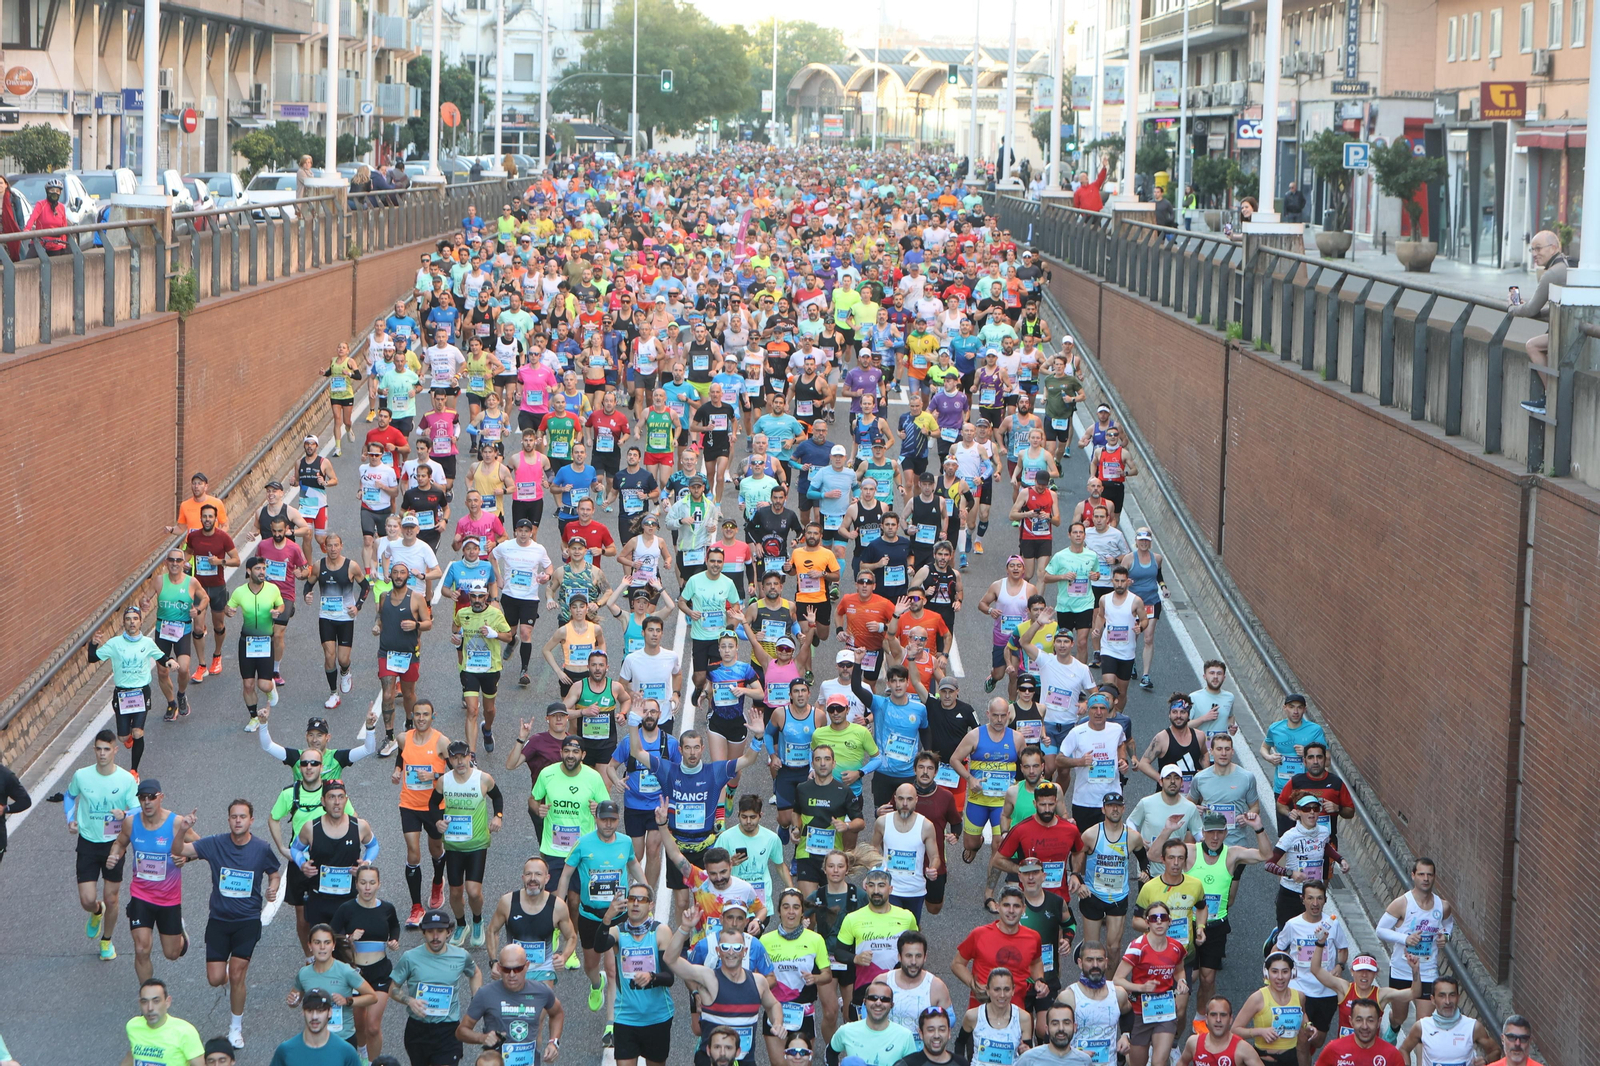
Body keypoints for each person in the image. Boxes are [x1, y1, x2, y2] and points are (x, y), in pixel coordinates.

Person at [172, 799, 283, 1050]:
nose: (238, 821)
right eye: (234, 816)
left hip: (247, 921)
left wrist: (273, 888)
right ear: (229, 819)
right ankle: (229, 983)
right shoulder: (214, 843)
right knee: (215, 978)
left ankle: (235, 1028)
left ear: (251, 820)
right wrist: (182, 829)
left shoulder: (261, 848)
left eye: (243, 816)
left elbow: (274, 872)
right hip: (219, 920)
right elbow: (180, 850)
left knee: (237, 974)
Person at [663, 905, 786, 1066]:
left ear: (744, 951)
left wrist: (777, 1023)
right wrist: (684, 928)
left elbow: (773, 1004)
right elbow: (670, 959)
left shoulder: (758, 982)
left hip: (745, 1061)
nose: (731, 952)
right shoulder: (709, 979)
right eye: (725, 947)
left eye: (736, 947)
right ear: (718, 950)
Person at [107, 778, 197, 982]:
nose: (146, 802)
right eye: (142, 798)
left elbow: (201, 847)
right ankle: (147, 993)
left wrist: (186, 857)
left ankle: (181, 935)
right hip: (141, 896)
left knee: (172, 954)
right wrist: (115, 854)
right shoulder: (131, 823)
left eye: (151, 797)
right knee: (141, 949)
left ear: (161, 798)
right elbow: (120, 843)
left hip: (169, 899)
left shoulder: (176, 823)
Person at [66, 727, 141, 962]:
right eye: (98, 749)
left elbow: (138, 808)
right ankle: (97, 912)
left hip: (114, 844)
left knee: (112, 898)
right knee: (87, 899)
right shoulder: (82, 775)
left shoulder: (126, 779)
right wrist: (70, 819)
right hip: (88, 842)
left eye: (106, 749)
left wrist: (125, 813)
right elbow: (70, 796)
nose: (101, 754)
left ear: (115, 751)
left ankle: (107, 940)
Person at [595, 884, 678, 1066]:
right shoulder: (618, 932)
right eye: (631, 899)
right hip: (626, 1016)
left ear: (651, 905)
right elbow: (599, 946)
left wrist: (652, 977)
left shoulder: (660, 932)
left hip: (657, 1016)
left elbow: (669, 977)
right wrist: (608, 916)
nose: (635, 904)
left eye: (641, 900)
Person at [390, 909, 484, 1066]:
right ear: (423, 932)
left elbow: (475, 973)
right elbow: (393, 988)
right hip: (418, 1028)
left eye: (440, 931)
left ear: (449, 932)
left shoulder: (461, 956)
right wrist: (409, 1001)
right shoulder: (410, 957)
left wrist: (476, 999)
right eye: (430, 932)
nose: (435, 937)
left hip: (448, 1029)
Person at [87, 603, 174, 772]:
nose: (132, 622)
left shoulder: (147, 643)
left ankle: (134, 770)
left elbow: (162, 657)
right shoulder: (115, 644)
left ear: (141, 622)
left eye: (135, 619)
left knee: (138, 732)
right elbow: (92, 659)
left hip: (141, 693)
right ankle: (129, 739)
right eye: (128, 619)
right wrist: (93, 644)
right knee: (123, 736)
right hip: (122, 695)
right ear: (123, 623)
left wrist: (171, 662)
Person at [457, 944, 563, 1065]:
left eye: (517, 969)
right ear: (499, 968)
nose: (512, 974)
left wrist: (553, 1042)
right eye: (507, 969)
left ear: (527, 966)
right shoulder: (485, 994)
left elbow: (557, 1013)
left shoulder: (541, 991)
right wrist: (482, 1038)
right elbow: (461, 1031)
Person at [1376, 857, 1455, 1019]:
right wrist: (1405, 939)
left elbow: (1448, 925)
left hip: (1427, 970)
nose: (1425, 879)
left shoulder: (1443, 906)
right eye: (1421, 874)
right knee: (1399, 1017)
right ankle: (1394, 1028)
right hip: (1401, 969)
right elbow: (1381, 930)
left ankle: (1418, 1043)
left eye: (1429, 875)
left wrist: (1445, 936)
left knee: (1424, 1023)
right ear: (1413, 875)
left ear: (1434, 877)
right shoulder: (1402, 904)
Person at [1114, 902, 1188, 1066]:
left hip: (1166, 1010)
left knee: (1159, 1062)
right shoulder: (1137, 947)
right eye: (1154, 918)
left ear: (1170, 921)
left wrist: (1182, 981)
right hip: (1140, 1011)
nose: (1159, 922)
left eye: (1164, 917)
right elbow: (1117, 979)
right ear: (1147, 923)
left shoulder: (1176, 947)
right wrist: (1140, 987)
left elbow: (1179, 970)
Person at [952, 887, 1045, 1010]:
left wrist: (1039, 980)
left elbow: (1036, 962)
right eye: (1006, 905)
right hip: (981, 1009)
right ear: (997, 907)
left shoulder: (1033, 937)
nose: (1011, 911)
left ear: (1023, 909)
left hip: (1016, 1010)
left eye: (1016, 906)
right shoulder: (979, 934)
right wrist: (973, 985)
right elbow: (957, 964)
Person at [1510, 230, 1568, 414]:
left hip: (1566, 331)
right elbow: (1552, 309)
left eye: (1538, 248)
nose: (1535, 254)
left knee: (1532, 346)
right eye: (1532, 249)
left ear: (1553, 248)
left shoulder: (1551, 275)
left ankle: (1551, 397)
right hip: (1571, 326)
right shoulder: (1565, 265)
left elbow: (1531, 309)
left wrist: (1513, 308)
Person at [832, 979, 921, 1066]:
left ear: (892, 1005)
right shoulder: (846, 1030)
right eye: (873, 998)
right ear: (864, 1002)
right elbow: (829, 1053)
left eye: (884, 999)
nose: (878, 1003)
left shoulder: (905, 1036)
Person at [122, 978, 206, 1066]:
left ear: (167, 1002)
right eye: (145, 1002)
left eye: (156, 1001)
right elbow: (133, 1054)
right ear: (140, 1004)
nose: (150, 1008)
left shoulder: (185, 1031)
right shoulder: (133, 1026)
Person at [269, 988, 362, 1066]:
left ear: (330, 1012)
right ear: (303, 1012)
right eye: (309, 1011)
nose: (314, 1017)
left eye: (320, 1011)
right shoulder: (285, 1051)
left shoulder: (346, 1052)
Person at [962, 968, 1034, 1065]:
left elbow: (1026, 1056)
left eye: (1007, 989)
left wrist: (1026, 1051)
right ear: (988, 990)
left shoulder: (1023, 1018)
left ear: (1013, 990)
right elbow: (960, 1043)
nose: (1002, 995)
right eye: (997, 989)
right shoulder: (973, 1016)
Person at [1176, 997, 1264, 1066]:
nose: (1218, 1020)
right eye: (1213, 1015)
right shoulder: (1193, 1043)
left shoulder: (1243, 1049)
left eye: (1223, 1015)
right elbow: (1182, 1063)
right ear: (1206, 1019)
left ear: (1230, 1019)